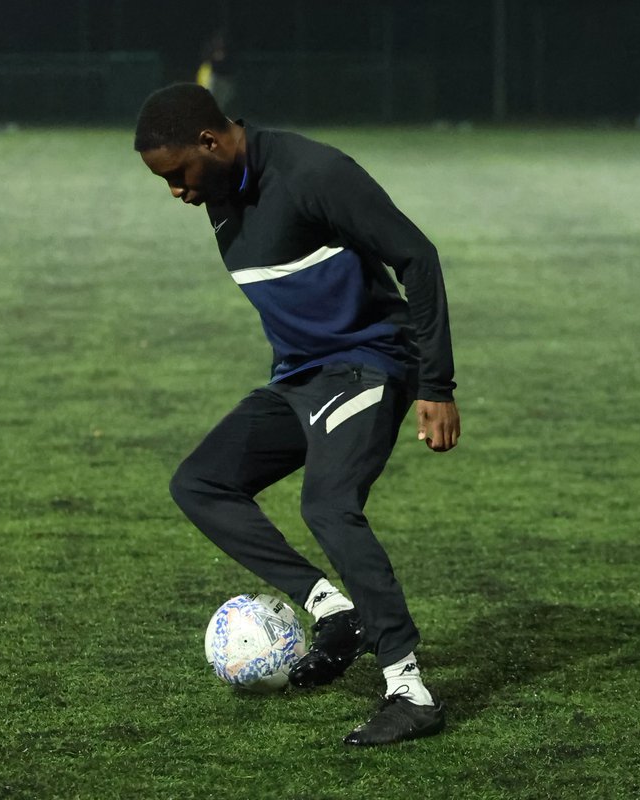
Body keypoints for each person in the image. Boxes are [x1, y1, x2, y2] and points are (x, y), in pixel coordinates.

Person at [133, 83, 460, 746]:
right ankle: (333, 610)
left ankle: (410, 690)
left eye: (178, 174)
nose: (175, 192)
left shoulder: (314, 173)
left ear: (211, 141)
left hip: (370, 363)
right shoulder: (218, 189)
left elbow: (416, 256)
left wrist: (436, 385)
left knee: (328, 505)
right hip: (299, 378)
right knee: (201, 483)